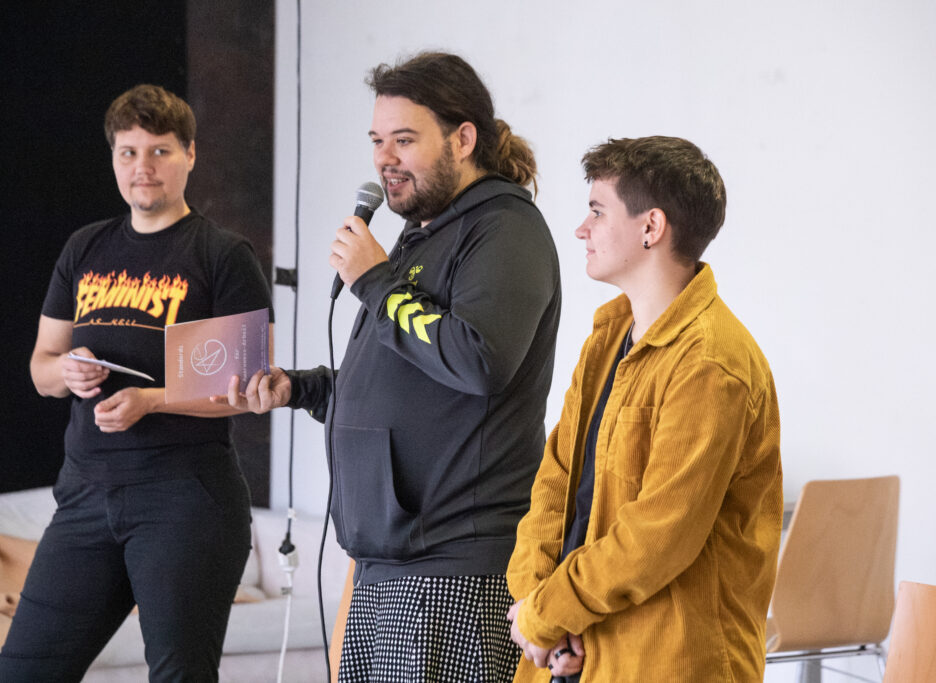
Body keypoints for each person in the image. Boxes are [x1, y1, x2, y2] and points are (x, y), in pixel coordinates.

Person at [224, 52, 561, 681]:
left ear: (463, 139)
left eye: (404, 140)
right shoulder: (418, 237)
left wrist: (375, 281)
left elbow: (477, 360)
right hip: (387, 565)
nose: (385, 159)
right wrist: (299, 388)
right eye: (377, 141)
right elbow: (396, 384)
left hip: (454, 568)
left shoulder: (504, 230)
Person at [0, 84, 273, 682]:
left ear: (190, 154)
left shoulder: (221, 255)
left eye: (160, 151)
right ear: (114, 158)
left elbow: (249, 386)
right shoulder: (85, 247)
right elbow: (42, 367)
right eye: (128, 152)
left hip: (184, 501)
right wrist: (67, 370)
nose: (142, 167)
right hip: (85, 496)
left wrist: (151, 399)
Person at [506, 136, 782, 683]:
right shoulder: (608, 337)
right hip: (578, 653)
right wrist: (542, 608)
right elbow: (554, 482)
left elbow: (657, 536)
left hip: (672, 664)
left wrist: (549, 613)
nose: (581, 229)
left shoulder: (712, 362)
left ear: (651, 227)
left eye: (597, 211)